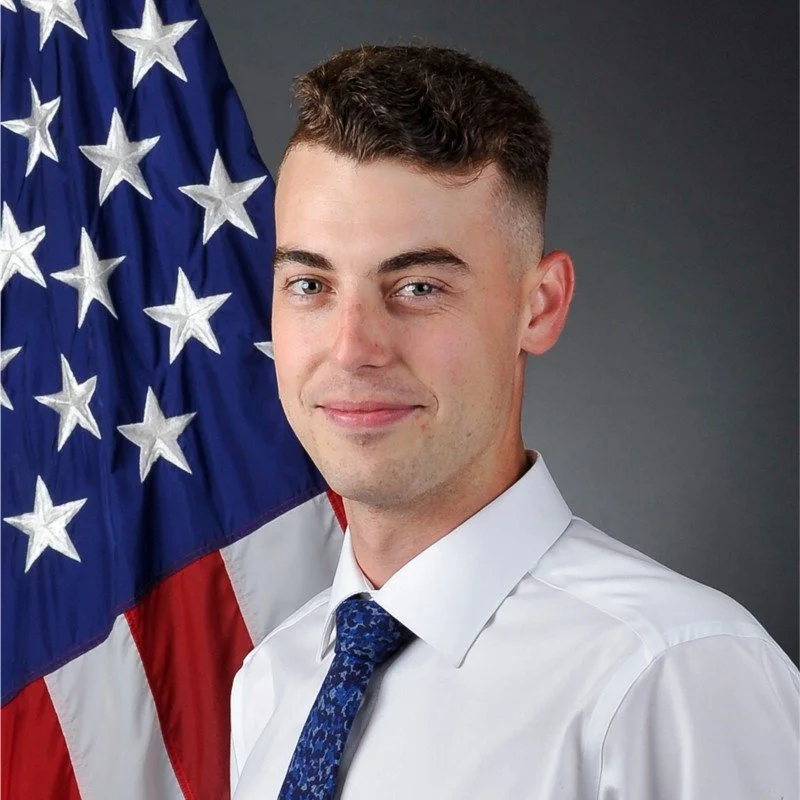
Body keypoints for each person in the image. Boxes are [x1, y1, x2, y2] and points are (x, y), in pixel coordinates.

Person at [229, 44, 799, 799]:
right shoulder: (273, 678)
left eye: (420, 286)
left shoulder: (669, 676)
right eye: (310, 283)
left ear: (541, 305)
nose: (352, 348)